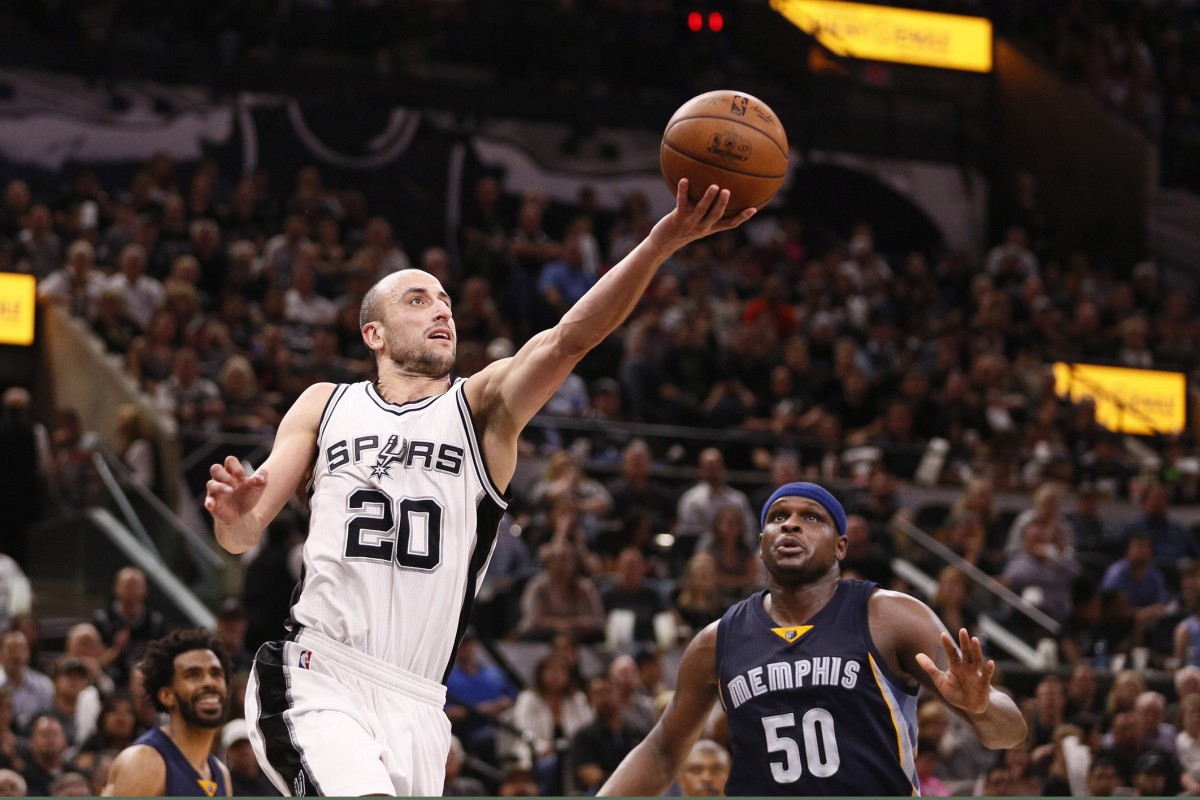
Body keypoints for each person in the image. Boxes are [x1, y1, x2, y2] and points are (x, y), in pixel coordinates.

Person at [203, 182, 753, 796]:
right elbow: (241, 535)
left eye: (445, 301)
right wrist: (234, 515)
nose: (441, 310)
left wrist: (658, 244)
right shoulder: (325, 404)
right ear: (374, 334)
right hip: (320, 673)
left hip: (418, 701)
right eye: (417, 300)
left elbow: (569, 338)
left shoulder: (481, 408)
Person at [598, 481, 1026, 796]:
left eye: (811, 518)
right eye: (778, 518)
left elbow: (1010, 734)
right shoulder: (717, 640)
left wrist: (982, 708)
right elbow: (662, 752)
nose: (791, 525)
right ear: (762, 544)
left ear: (840, 546)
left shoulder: (891, 616)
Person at [102, 628, 231, 797]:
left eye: (216, 674)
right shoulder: (144, 762)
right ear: (167, 696)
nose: (209, 682)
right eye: (193, 675)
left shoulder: (221, 773)